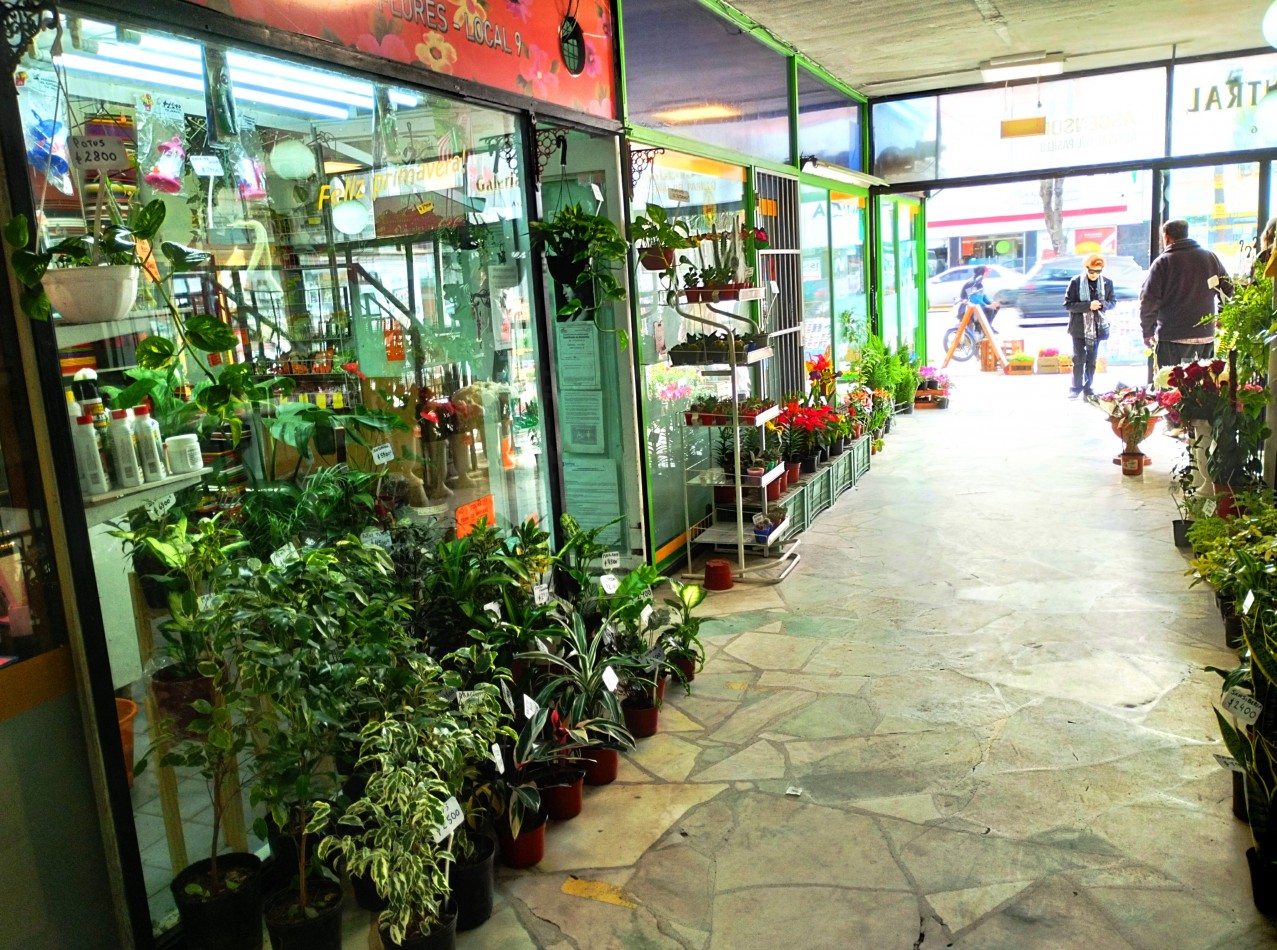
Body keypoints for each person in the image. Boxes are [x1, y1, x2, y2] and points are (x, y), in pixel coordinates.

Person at [1139, 219, 1233, 369]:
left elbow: (1149, 299)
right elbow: (1229, 290)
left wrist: (1148, 331)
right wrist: (1222, 316)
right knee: (1204, 386)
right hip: (1205, 337)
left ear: (1167, 237)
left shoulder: (1163, 262)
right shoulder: (1210, 258)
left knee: (1172, 387)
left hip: (1173, 337)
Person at [1064, 252, 1116, 399]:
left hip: (1098, 328)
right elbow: (1068, 305)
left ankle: (1089, 387)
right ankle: (1076, 387)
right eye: (1091, 271)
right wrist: (1088, 306)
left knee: (1092, 360)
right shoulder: (1075, 282)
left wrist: (1102, 305)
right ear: (1086, 268)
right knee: (1078, 359)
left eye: (1098, 271)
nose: (1094, 274)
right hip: (1079, 327)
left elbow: (1113, 302)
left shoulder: (1107, 283)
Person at [958, 265, 1000, 333]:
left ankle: (986, 326)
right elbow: (972, 298)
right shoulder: (972, 283)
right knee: (990, 310)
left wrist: (991, 302)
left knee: (996, 307)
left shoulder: (979, 283)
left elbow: (982, 296)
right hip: (967, 307)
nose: (988, 273)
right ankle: (985, 329)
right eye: (987, 272)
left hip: (976, 305)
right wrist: (986, 305)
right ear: (982, 272)